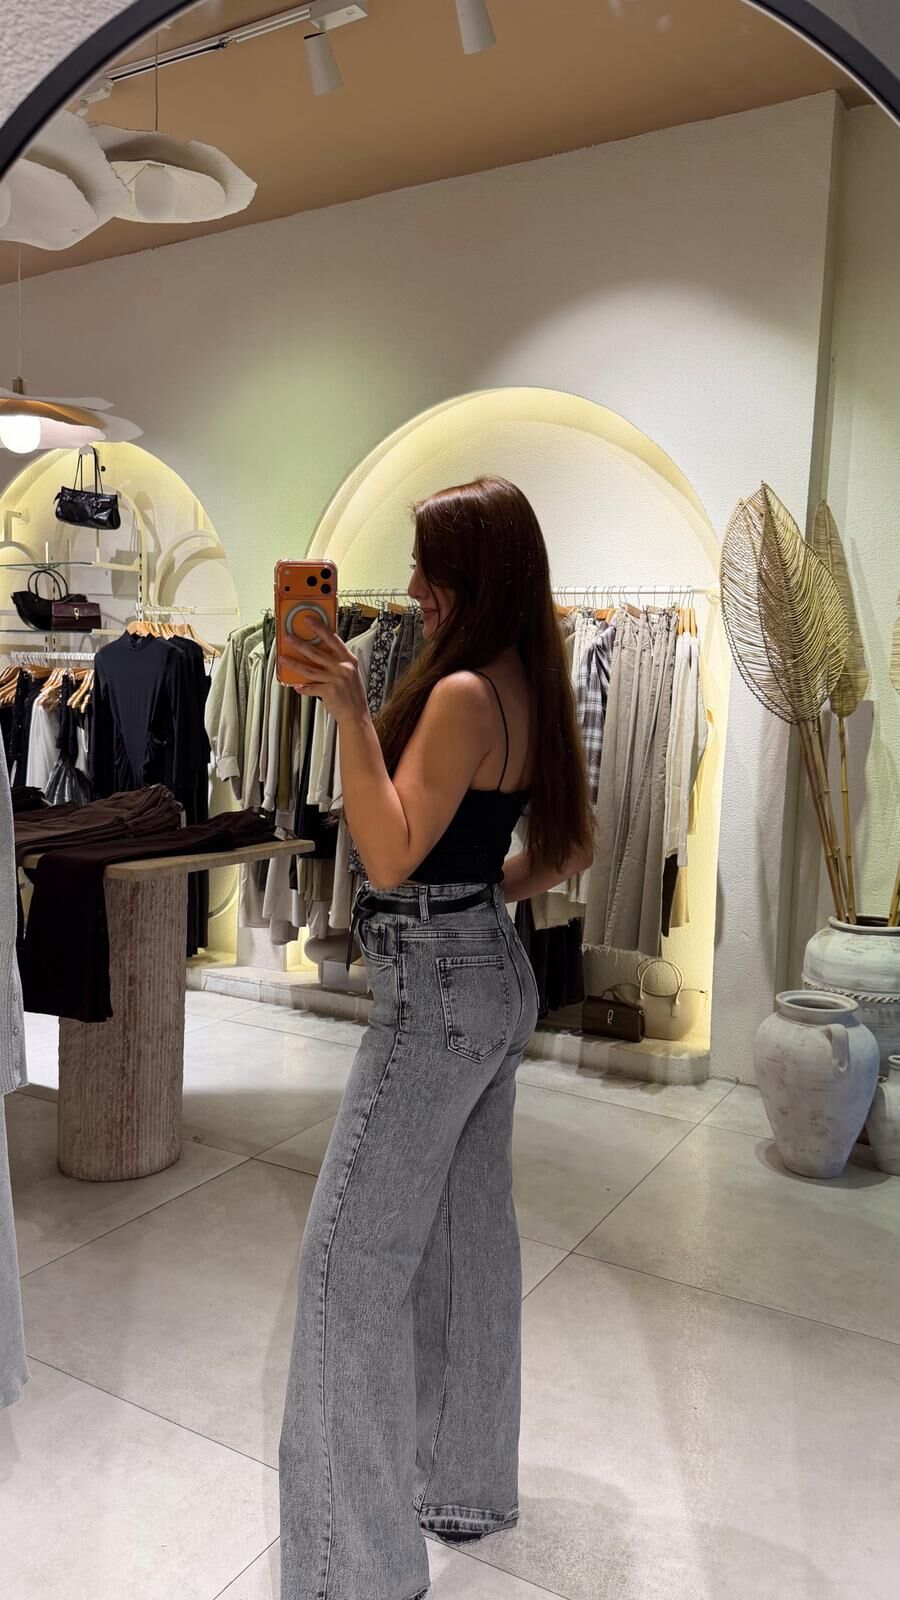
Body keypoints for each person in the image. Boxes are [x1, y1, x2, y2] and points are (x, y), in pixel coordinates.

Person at [278, 476, 592, 1600]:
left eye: (428, 565)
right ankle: (465, 1484)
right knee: (468, 1244)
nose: (411, 584)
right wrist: (479, 900)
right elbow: (572, 848)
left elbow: (389, 850)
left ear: (475, 574)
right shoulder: (525, 680)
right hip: (491, 970)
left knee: (346, 1268)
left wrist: (349, 710)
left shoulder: (460, 692)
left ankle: (351, 1573)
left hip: (437, 993)